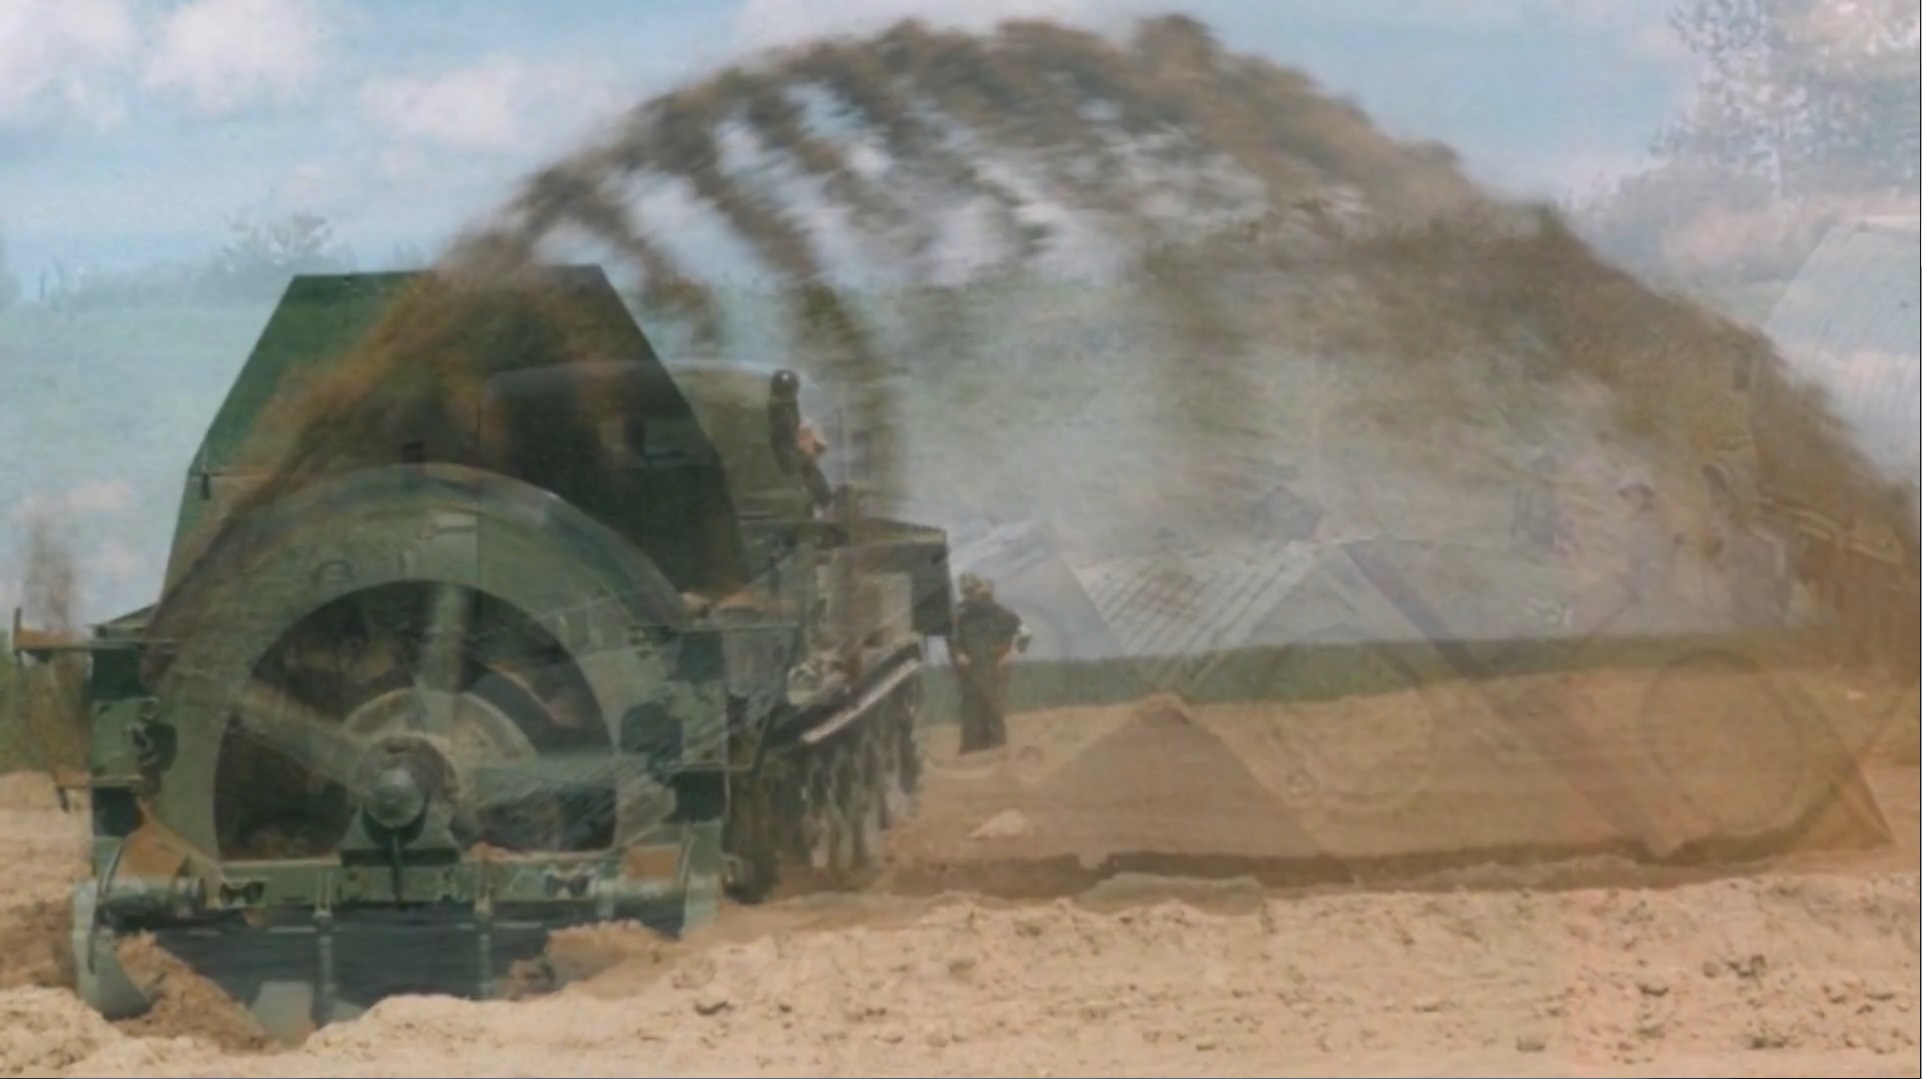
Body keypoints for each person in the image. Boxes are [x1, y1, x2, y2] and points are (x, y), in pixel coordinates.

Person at [950, 573, 1031, 754]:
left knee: (994, 706)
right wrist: (959, 654)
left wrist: (1012, 653)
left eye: (972, 591)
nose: (970, 596)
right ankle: (971, 749)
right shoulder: (962, 616)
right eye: (965, 592)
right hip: (971, 669)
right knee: (971, 708)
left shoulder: (1002, 614)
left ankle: (997, 749)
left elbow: (1025, 633)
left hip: (996, 667)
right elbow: (954, 640)